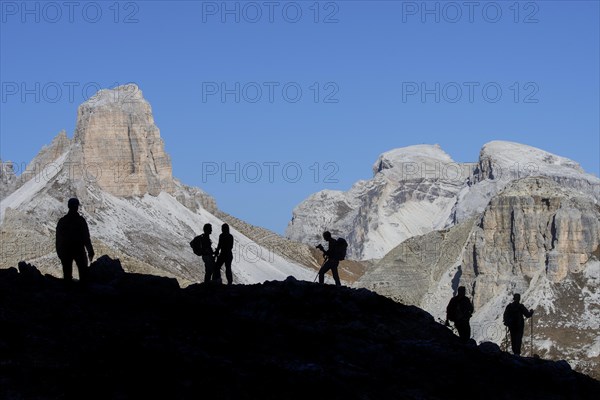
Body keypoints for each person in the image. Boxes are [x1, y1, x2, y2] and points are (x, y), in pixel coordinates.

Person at [55, 197, 94, 282]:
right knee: (83, 273)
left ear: (69, 206)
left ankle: (68, 292)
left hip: (66, 251)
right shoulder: (81, 221)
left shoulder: (62, 221)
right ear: (77, 207)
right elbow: (86, 237)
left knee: (67, 275)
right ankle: (83, 292)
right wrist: (90, 250)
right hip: (79, 250)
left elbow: (58, 238)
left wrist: (59, 252)